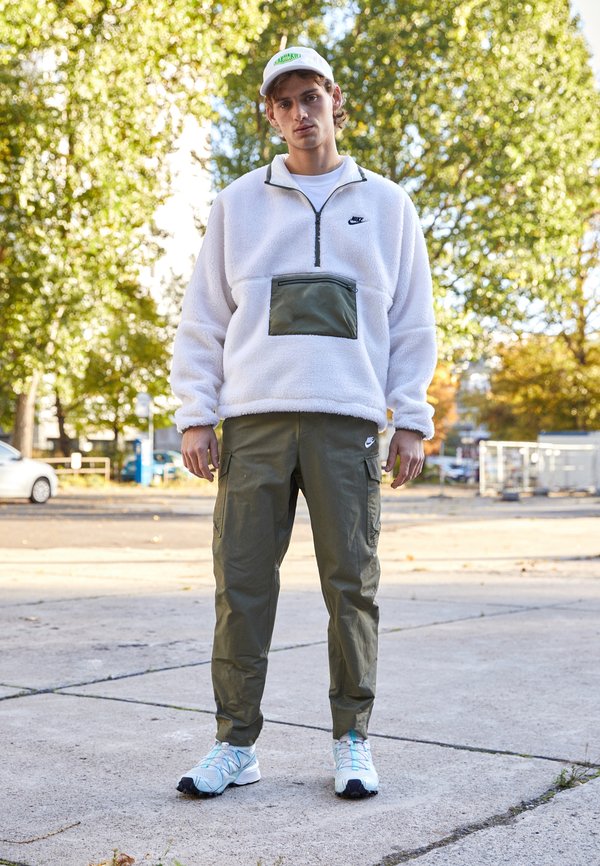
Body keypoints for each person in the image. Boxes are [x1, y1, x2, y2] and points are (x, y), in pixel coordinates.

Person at [170, 45, 436, 799]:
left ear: (334, 99)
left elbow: (412, 320)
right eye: (283, 102)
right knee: (242, 585)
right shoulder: (237, 204)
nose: (299, 113)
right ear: (270, 115)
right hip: (253, 421)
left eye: (310, 96)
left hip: (347, 420)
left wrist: (410, 419)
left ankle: (353, 739)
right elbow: (204, 317)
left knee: (351, 586)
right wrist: (196, 414)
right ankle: (235, 744)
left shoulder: (388, 204)